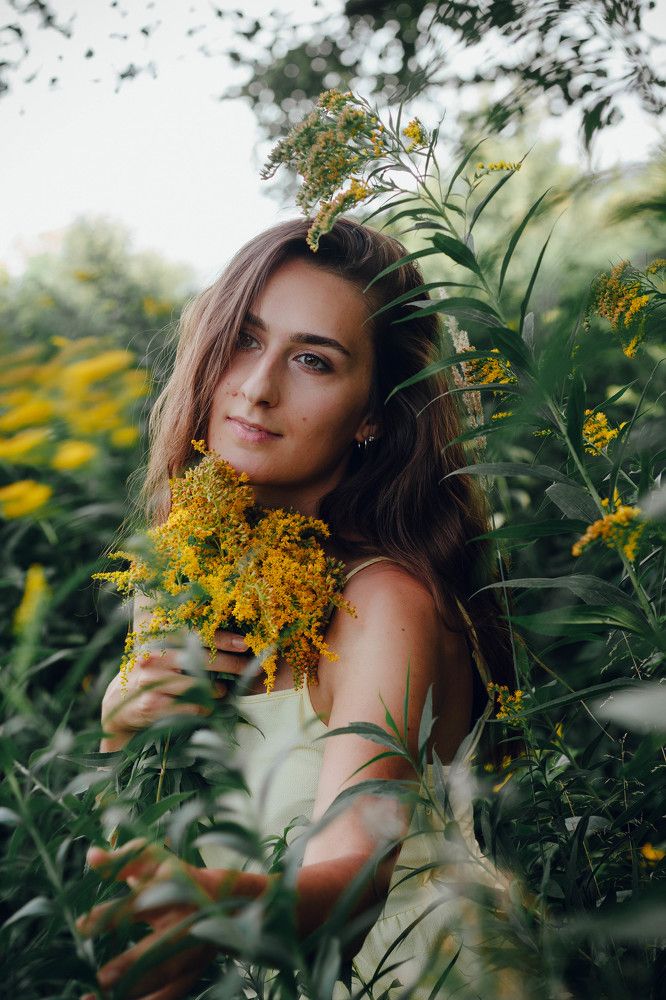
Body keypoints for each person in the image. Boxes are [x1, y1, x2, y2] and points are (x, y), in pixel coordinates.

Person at [81, 217, 516, 1000]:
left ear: (373, 412)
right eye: (245, 340)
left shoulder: (385, 601)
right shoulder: (190, 573)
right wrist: (122, 723)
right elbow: (135, 855)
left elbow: (357, 879)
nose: (258, 386)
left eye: (313, 359)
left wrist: (219, 914)